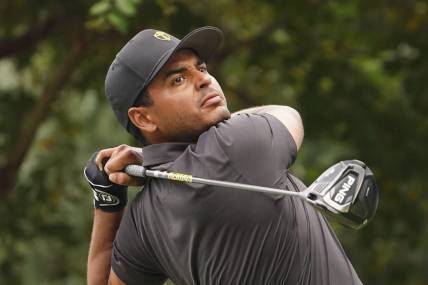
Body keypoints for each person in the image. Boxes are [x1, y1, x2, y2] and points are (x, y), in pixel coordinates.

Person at [84, 26, 363, 285]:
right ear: (143, 118)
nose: (204, 80)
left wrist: (107, 199)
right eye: (179, 79)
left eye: (201, 68)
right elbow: (287, 114)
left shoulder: (142, 220)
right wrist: (147, 158)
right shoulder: (235, 147)